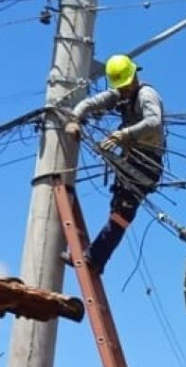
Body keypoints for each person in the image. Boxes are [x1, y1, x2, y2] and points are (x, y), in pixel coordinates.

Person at [62, 54, 166, 275]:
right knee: (117, 209)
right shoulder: (120, 94)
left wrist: (123, 134)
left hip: (147, 164)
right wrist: (74, 119)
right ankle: (96, 258)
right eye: (122, 86)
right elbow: (91, 103)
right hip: (130, 161)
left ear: (134, 76)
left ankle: (94, 259)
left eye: (127, 85)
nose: (124, 90)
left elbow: (154, 122)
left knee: (122, 213)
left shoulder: (146, 94)